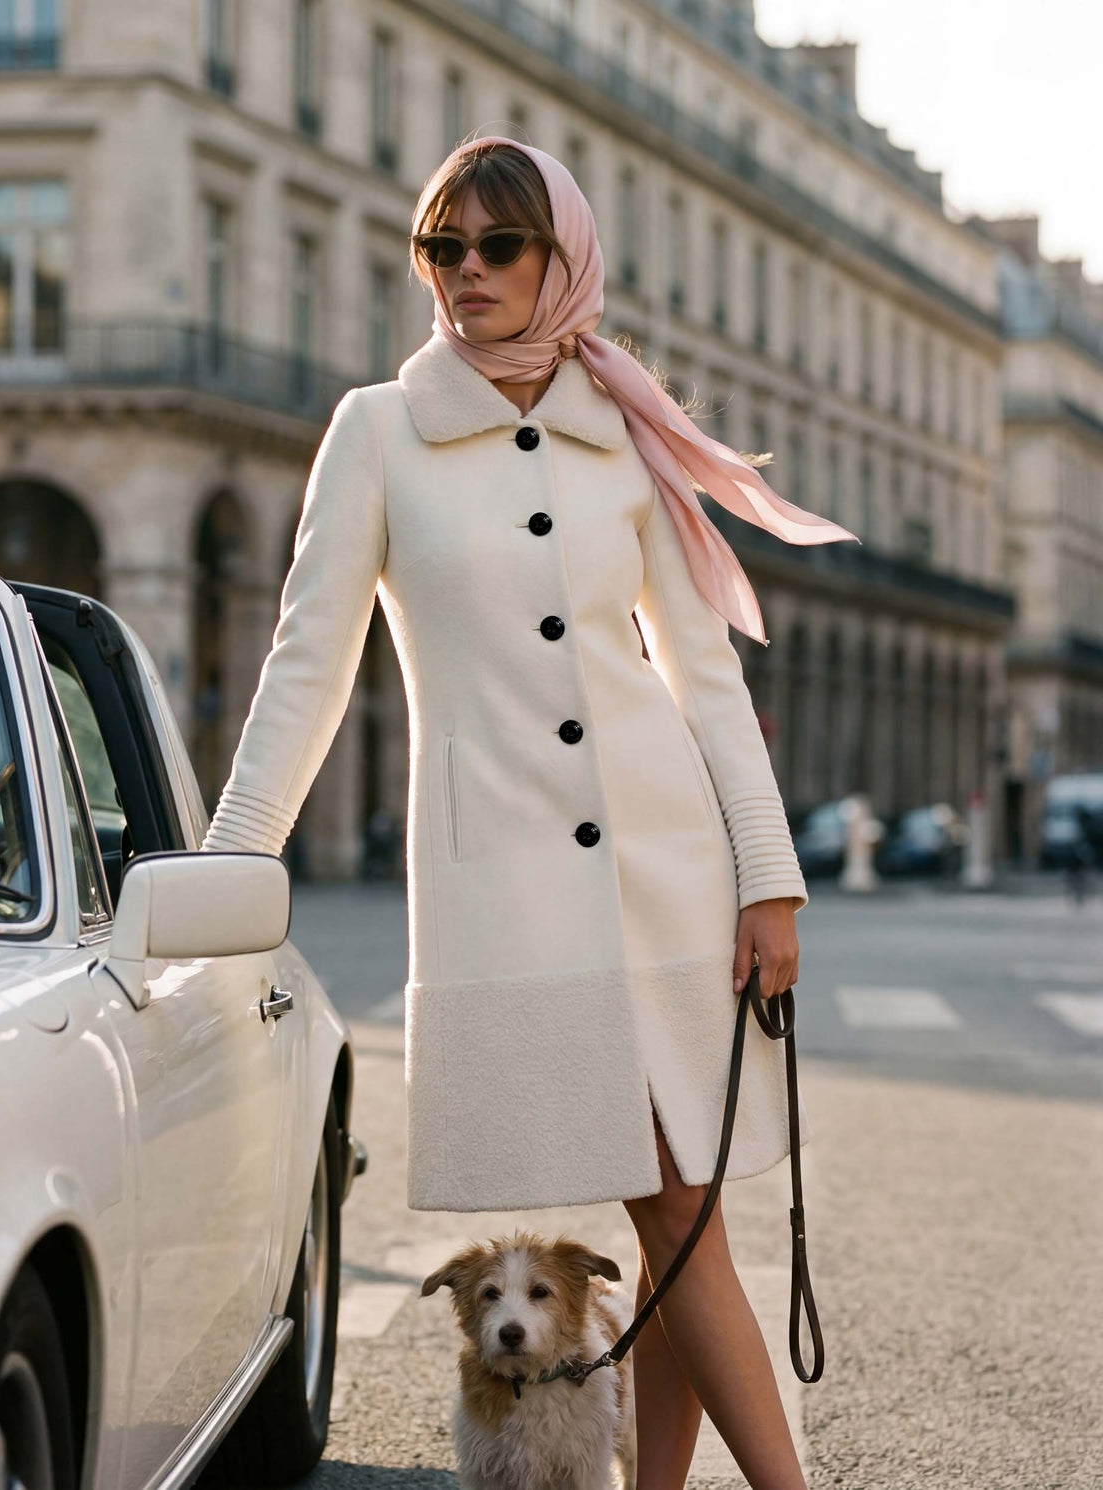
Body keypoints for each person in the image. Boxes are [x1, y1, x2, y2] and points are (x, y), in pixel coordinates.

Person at [201, 137, 857, 1490]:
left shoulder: (626, 423)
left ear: (564, 262)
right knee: (677, 1216)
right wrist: (227, 867)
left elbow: (705, 670)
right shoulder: (376, 431)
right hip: (513, 890)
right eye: (443, 248)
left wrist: (767, 874)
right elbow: (304, 673)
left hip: (670, 869)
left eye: (500, 248)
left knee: (685, 1218)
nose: (467, 274)